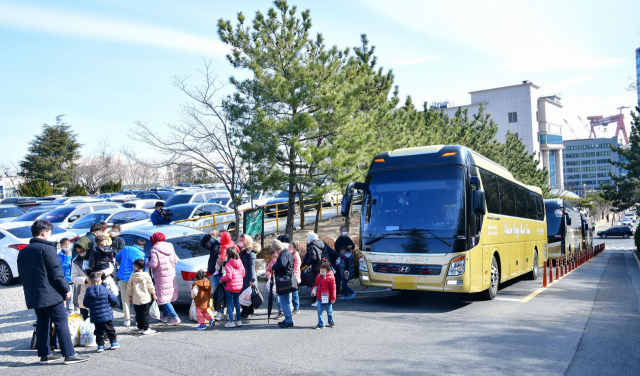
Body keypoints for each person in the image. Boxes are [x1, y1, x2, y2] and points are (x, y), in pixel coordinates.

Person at [17, 220, 89, 365]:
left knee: (42, 323)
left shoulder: (23, 251)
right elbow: (56, 273)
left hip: (34, 293)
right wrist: (65, 289)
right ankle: (69, 354)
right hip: (50, 293)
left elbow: (21, 275)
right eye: (50, 232)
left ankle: (45, 354)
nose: (50, 235)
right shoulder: (47, 249)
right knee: (61, 321)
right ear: (44, 233)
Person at [148, 232, 181, 325]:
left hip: (161, 275)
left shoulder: (154, 249)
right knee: (167, 296)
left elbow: (153, 264)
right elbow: (176, 260)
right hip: (171, 273)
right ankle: (165, 317)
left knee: (163, 296)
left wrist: (147, 263)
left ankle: (175, 317)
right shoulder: (170, 246)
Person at [83, 272, 119, 352]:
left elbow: (85, 303)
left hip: (95, 315)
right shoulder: (104, 289)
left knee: (98, 331)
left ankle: (100, 345)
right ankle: (113, 343)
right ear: (100, 281)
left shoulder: (88, 291)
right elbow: (113, 299)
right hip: (106, 314)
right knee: (110, 329)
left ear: (89, 282)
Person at [115, 238, 146, 327]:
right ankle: (137, 319)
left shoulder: (126, 248)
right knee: (136, 298)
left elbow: (117, 257)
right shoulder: (141, 254)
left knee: (125, 299)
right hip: (134, 278)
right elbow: (142, 268)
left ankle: (127, 320)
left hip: (123, 277)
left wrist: (122, 265)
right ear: (143, 247)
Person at [127, 259, 157, 335]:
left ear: (136, 267)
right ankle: (146, 328)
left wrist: (130, 296)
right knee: (145, 313)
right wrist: (153, 294)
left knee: (138, 313)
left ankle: (140, 328)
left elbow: (129, 287)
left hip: (136, 298)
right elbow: (150, 286)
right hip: (145, 298)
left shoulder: (132, 276)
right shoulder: (146, 275)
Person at [202, 230, 225, 321]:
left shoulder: (229, 246)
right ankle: (219, 311)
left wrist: (223, 262)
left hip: (225, 274)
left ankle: (227, 312)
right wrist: (209, 235)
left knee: (225, 294)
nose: (219, 237)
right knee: (216, 294)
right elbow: (204, 243)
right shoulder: (215, 244)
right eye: (218, 235)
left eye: (221, 236)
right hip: (215, 274)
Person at [271, 239, 295, 328]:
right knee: (286, 301)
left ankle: (289, 320)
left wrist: (274, 266)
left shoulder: (283, 255)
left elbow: (281, 265)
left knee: (284, 302)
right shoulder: (287, 253)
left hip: (284, 281)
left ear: (276, 249)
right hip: (288, 280)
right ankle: (288, 319)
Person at [220, 248, 245, 328]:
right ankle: (238, 320)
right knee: (237, 303)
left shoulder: (228, 264)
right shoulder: (240, 262)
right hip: (238, 287)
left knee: (229, 304)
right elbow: (243, 274)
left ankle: (231, 321)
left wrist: (222, 279)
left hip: (230, 287)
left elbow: (229, 277)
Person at [312, 261, 336, 329]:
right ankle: (321, 324)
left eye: (323, 269)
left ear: (327, 269)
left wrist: (333, 298)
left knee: (329, 311)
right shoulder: (318, 276)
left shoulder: (331, 277)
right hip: (320, 297)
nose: (321, 270)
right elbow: (315, 285)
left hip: (328, 298)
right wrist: (312, 291)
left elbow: (333, 289)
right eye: (321, 268)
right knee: (319, 311)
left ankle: (330, 321)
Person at [239, 234, 258, 319]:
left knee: (248, 296)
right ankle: (244, 310)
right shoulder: (242, 251)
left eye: (242, 240)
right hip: (242, 277)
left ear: (247, 241)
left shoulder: (251, 253)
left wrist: (252, 280)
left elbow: (252, 267)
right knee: (243, 295)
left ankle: (250, 311)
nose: (240, 242)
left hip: (248, 277)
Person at [303, 233, 324, 307]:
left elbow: (313, 257)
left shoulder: (312, 246)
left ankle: (317, 300)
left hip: (316, 267)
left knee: (317, 284)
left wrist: (307, 264)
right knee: (321, 283)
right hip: (322, 266)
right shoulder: (320, 244)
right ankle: (321, 299)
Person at [57, 238, 75, 313]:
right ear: (61, 246)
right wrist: (67, 257)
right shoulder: (59, 255)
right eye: (65, 244)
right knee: (68, 295)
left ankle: (74, 309)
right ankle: (69, 310)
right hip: (66, 279)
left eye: (68, 244)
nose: (67, 246)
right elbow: (63, 266)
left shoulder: (73, 252)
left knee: (75, 296)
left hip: (73, 277)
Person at [265, 250, 282, 319]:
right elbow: (267, 270)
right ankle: (280, 311)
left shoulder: (281, 261)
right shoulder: (271, 263)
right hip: (274, 282)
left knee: (280, 298)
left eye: (275, 256)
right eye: (272, 257)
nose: (274, 258)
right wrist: (268, 275)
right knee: (277, 298)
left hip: (280, 281)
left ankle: (282, 311)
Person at [289, 242, 302, 314]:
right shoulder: (289, 254)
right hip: (290, 276)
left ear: (295, 248)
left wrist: (293, 276)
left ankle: (296, 307)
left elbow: (296, 268)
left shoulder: (296, 255)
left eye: (290, 247)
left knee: (294, 293)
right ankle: (291, 306)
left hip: (294, 277)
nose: (289, 248)